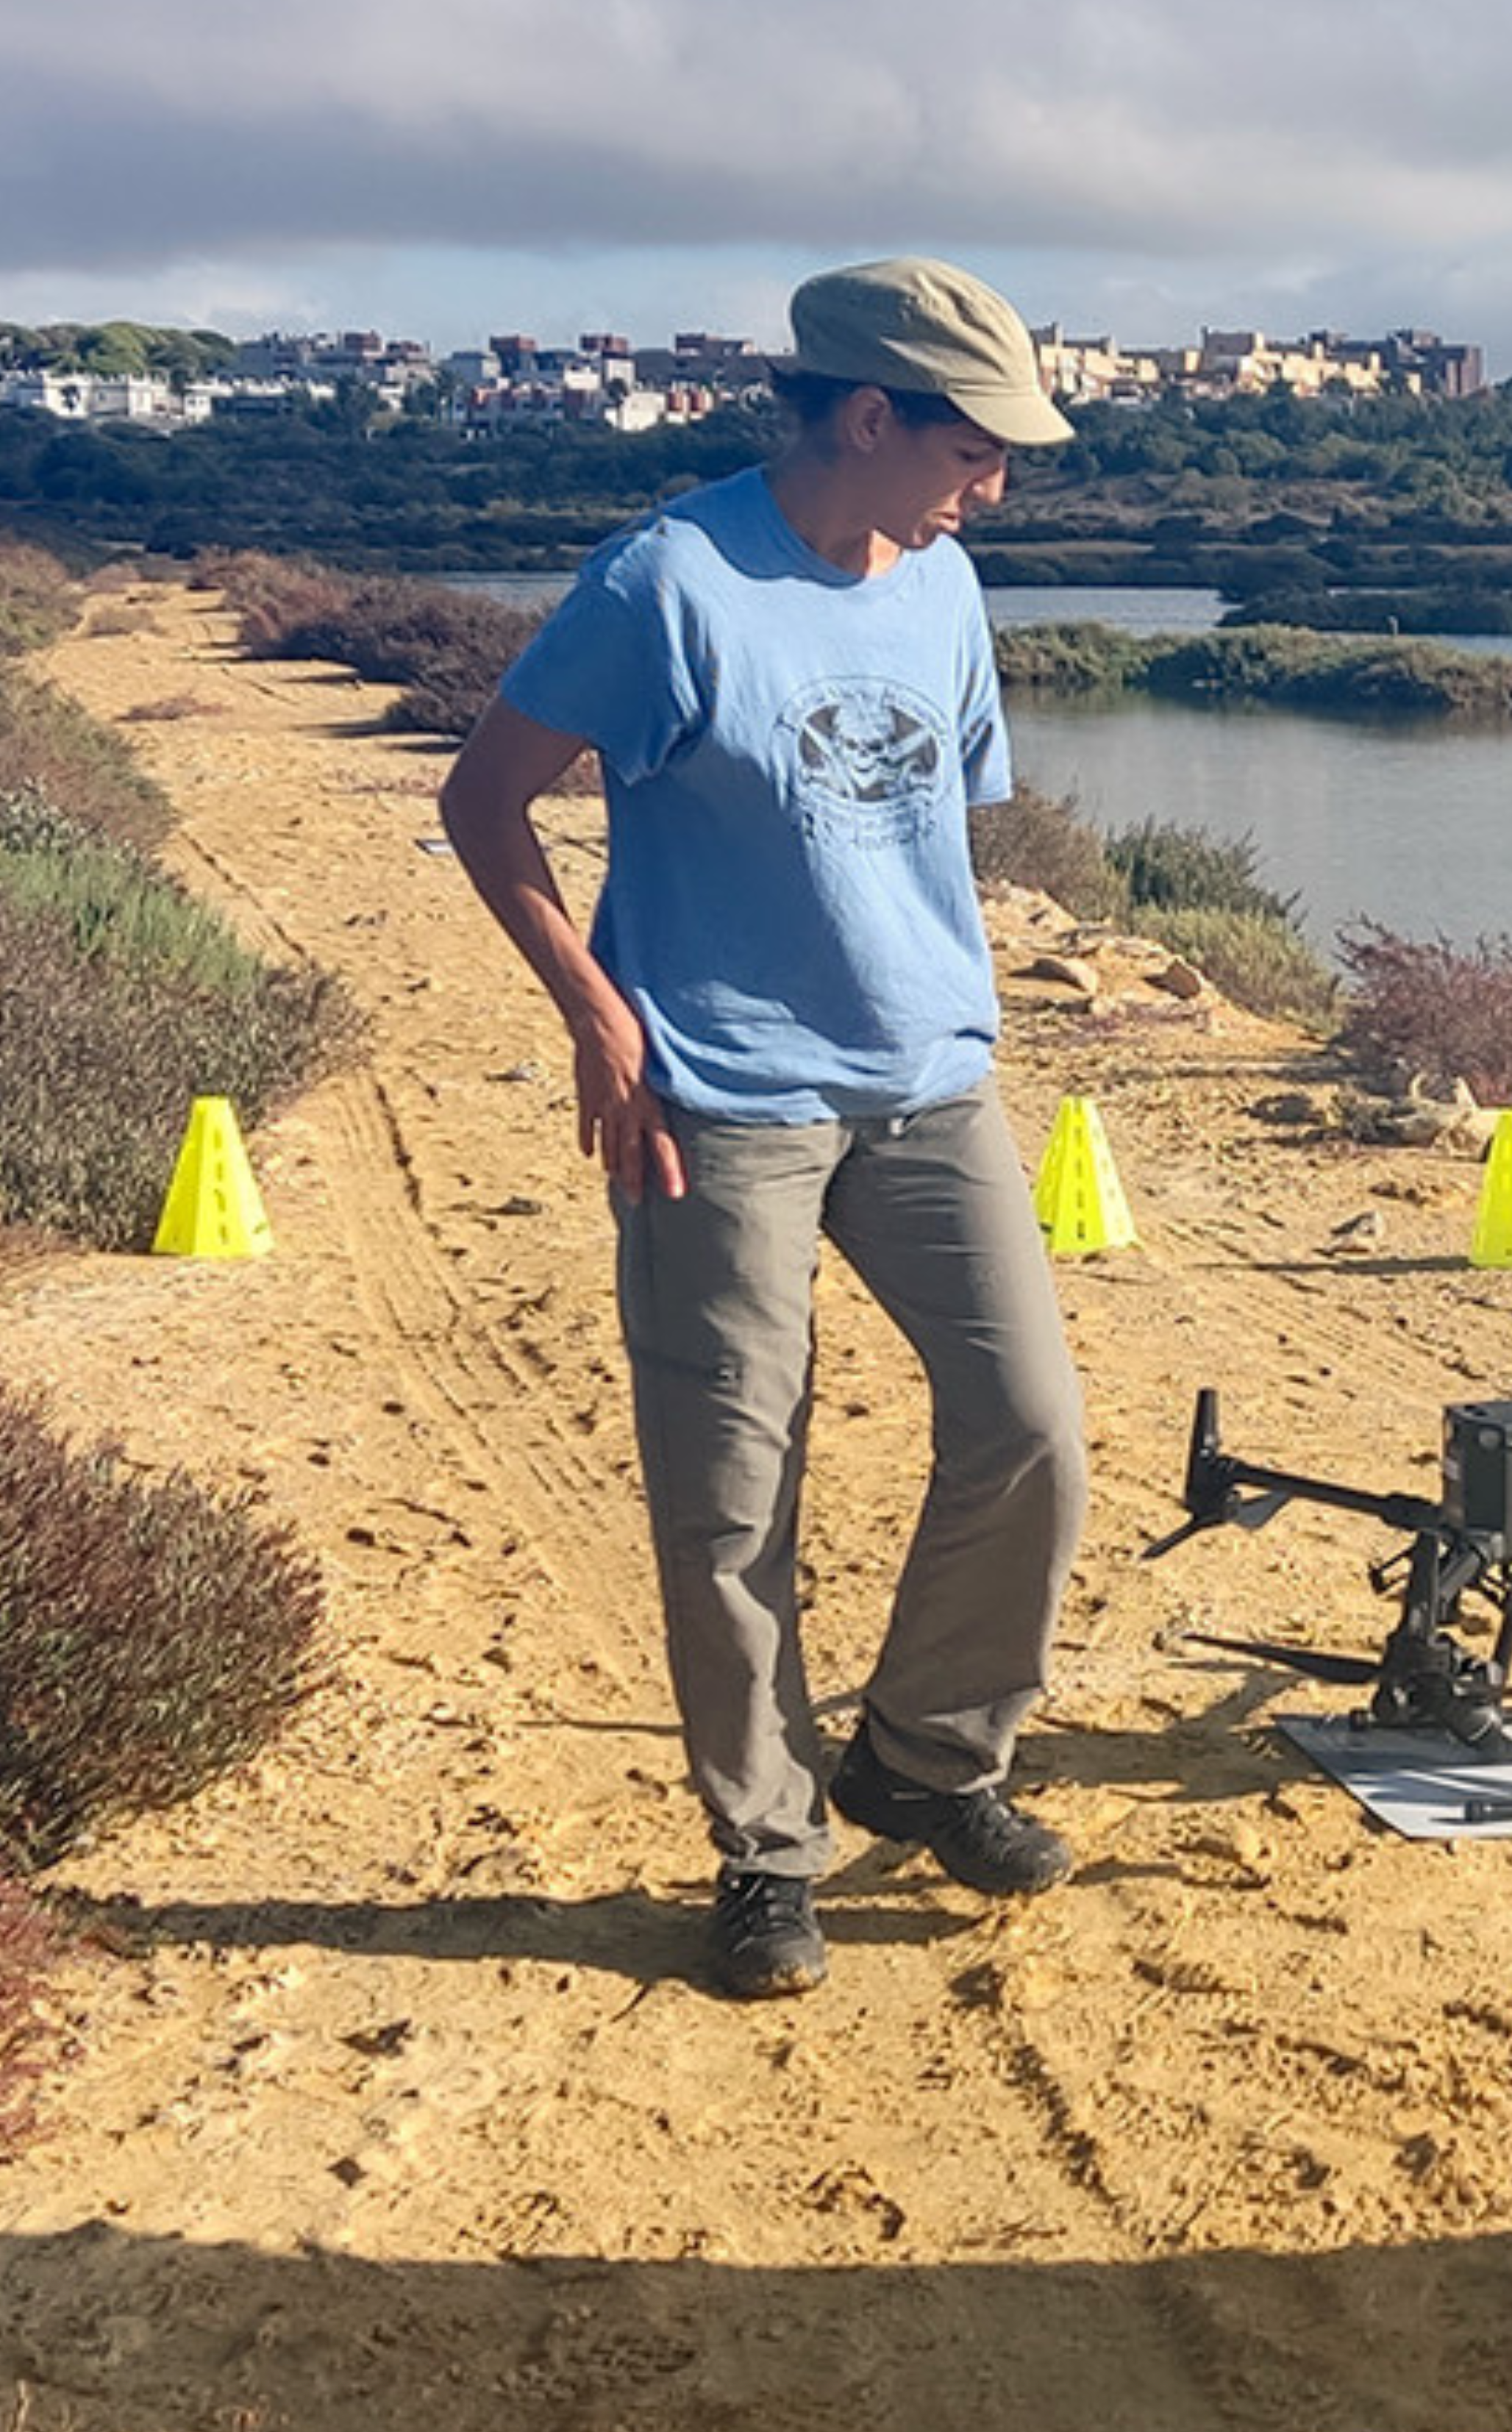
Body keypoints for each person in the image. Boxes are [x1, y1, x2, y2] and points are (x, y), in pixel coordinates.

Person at [438, 257, 1094, 2000]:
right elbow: (483, 797)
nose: (994, 485)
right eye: (975, 447)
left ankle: (928, 1758)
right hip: (717, 1102)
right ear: (869, 416)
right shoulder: (668, 582)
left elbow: (926, 834)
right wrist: (595, 1011)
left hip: (929, 1083)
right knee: (735, 1495)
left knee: (1033, 1430)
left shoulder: (946, 585)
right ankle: (768, 1847)